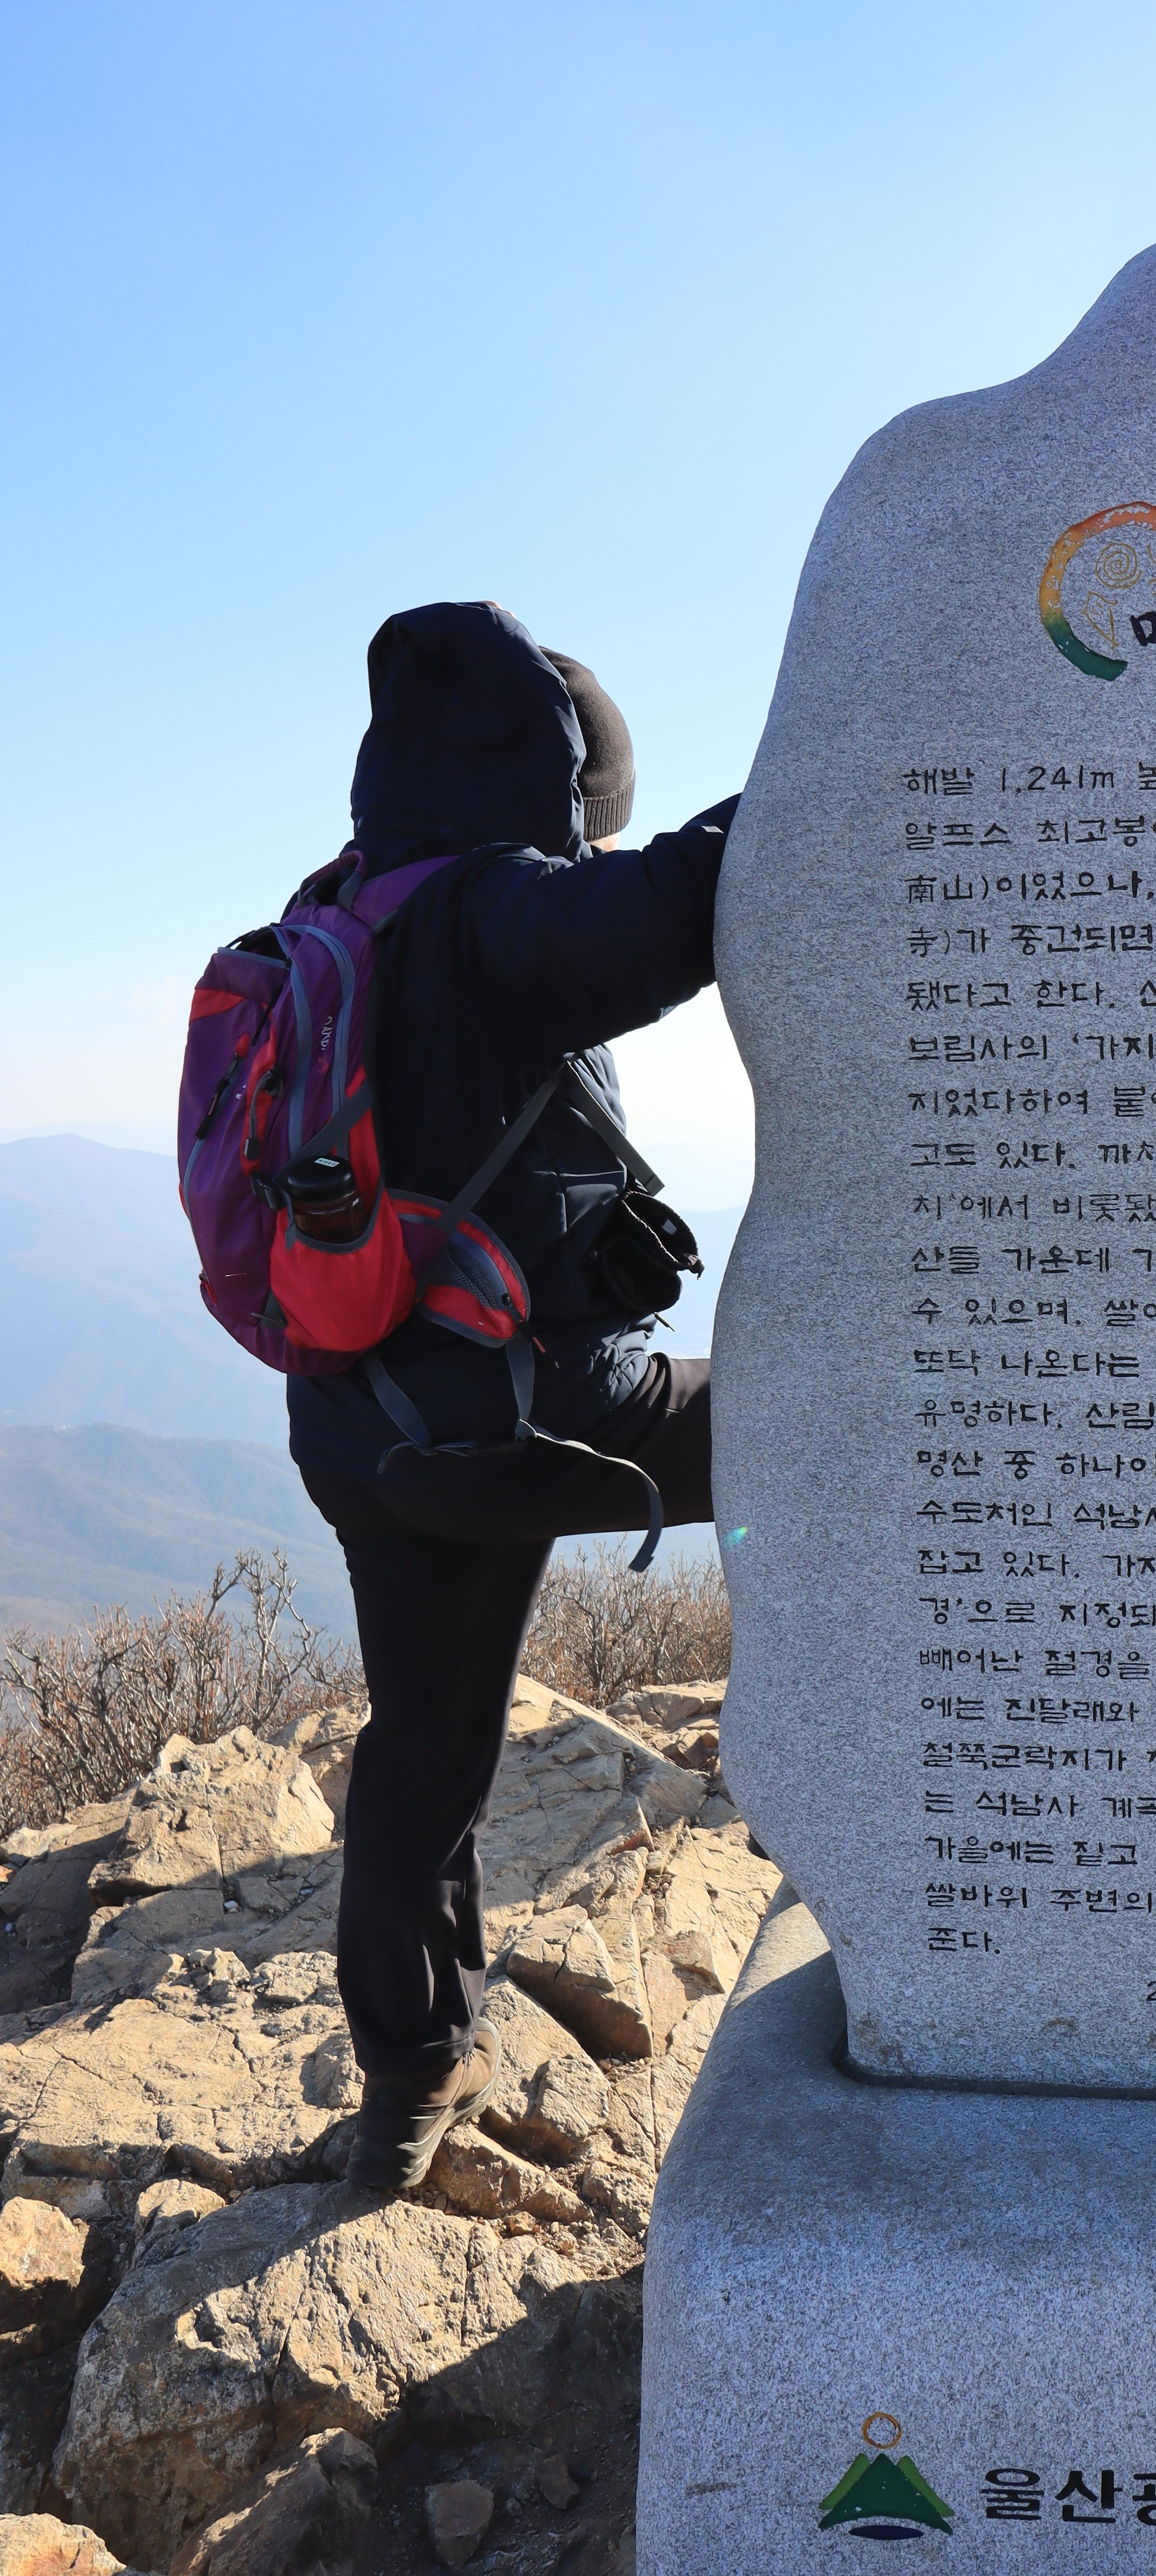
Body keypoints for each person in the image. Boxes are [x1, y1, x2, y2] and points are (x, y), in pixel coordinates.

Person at [289, 602, 739, 2193]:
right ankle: (889, 1744)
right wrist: (847, 763)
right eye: (589, 821)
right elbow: (679, 903)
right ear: (555, 794)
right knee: (830, 1419)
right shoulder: (495, 916)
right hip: (530, 1421)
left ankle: (414, 2074)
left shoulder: (336, 911)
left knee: (422, 1747)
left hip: (365, 1425)